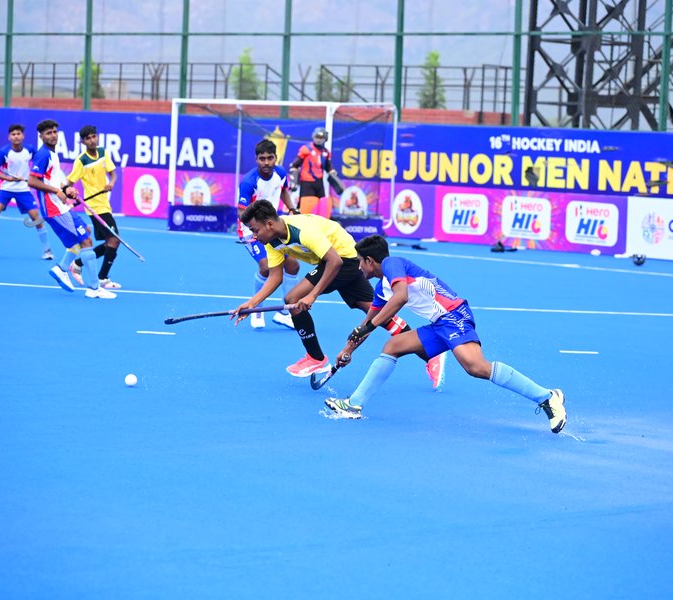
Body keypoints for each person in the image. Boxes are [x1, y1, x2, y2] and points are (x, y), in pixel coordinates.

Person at [323, 234, 566, 434]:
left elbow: (401, 298)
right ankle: (354, 405)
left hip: (453, 315)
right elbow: (366, 323)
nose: (358, 267)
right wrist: (348, 350)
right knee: (393, 346)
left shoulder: (392, 263)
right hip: (438, 324)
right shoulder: (381, 288)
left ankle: (547, 397)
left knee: (476, 367)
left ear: (369, 260)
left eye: (359, 261)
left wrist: (370, 325)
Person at [232, 201, 446, 389]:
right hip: (336, 261)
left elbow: (335, 261)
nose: (254, 236)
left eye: (255, 230)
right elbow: (275, 277)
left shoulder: (302, 229)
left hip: (345, 258)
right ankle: (430, 355)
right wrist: (251, 305)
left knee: (293, 300)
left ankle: (315, 358)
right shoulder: (271, 241)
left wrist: (313, 295)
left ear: (269, 224)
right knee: (377, 313)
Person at [27, 119, 116, 300]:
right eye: (48, 133)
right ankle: (94, 288)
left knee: (85, 234)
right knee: (86, 241)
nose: (53, 135)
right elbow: (32, 181)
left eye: (54, 132)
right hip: (54, 209)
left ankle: (61, 269)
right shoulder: (43, 155)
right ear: (41, 136)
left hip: (60, 206)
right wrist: (57, 191)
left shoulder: (53, 154)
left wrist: (67, 190)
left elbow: (53, 181)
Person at [237, 139, 301, 330]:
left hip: (274, 229)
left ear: (276, 158)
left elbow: (283, 191)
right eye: (262, 158)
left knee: (293, 266)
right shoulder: (249, 182)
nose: (266, 162)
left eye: (270, 158)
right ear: (256, 159)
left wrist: (291, 208)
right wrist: (256, 231)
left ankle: (284, 314)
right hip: (251, 231)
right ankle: (257, 310)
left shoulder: (281, 173)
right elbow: (242, 213)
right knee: (266, 267)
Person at [0, 123, 53, 260]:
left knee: (37, 218)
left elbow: (39, 164)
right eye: (13, 134)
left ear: (23, 136)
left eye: (18, 134)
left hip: (24, 189)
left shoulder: (30, 150)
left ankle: (47, 250)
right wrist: (8, 178)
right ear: (9, 137)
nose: (16, 137)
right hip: (6, 188)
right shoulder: (3, 152)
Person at [65, 125, 121, 289]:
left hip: (104, 203)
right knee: (114, 239)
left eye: (94, 136)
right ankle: (102, 278)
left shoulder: (103, 153)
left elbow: (113, 173)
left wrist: (110, 183)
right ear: (83, 141)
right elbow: (68, 184)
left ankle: (77, 263)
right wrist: (69, 192)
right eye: (88, 138)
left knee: (110, 242)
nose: (92, 140)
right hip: (94, 207)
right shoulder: (81, 161)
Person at [289, 126, 337, 217]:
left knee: (321, 208)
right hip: (307, 182)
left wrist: (332, 172)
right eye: (317, 137)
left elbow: (328, 166)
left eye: (321, 138)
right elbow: (294, 165)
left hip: (319, 183)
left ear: (325, 139)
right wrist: (294, 180)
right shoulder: (306, 149)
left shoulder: (326, 152)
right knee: (306, 210)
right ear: (313, 137)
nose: (319, 140)